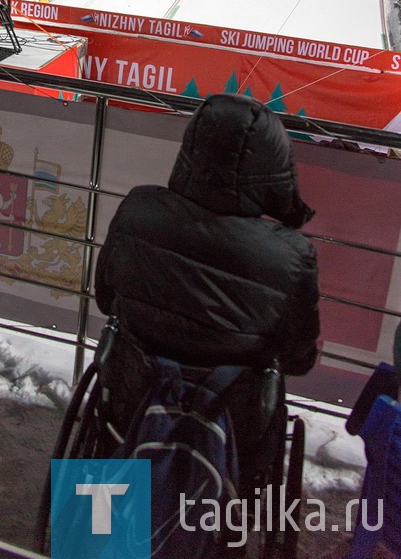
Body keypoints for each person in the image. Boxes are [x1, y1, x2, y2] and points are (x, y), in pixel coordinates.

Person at [95, 92, 320, 481]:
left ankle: (95, 533)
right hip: (230, 428)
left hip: (132, 404)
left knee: (107, 441)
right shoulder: (292, 255)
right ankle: (208, 532)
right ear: (274, 166)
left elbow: (105, 298)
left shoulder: (138, 209)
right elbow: (298, 358)